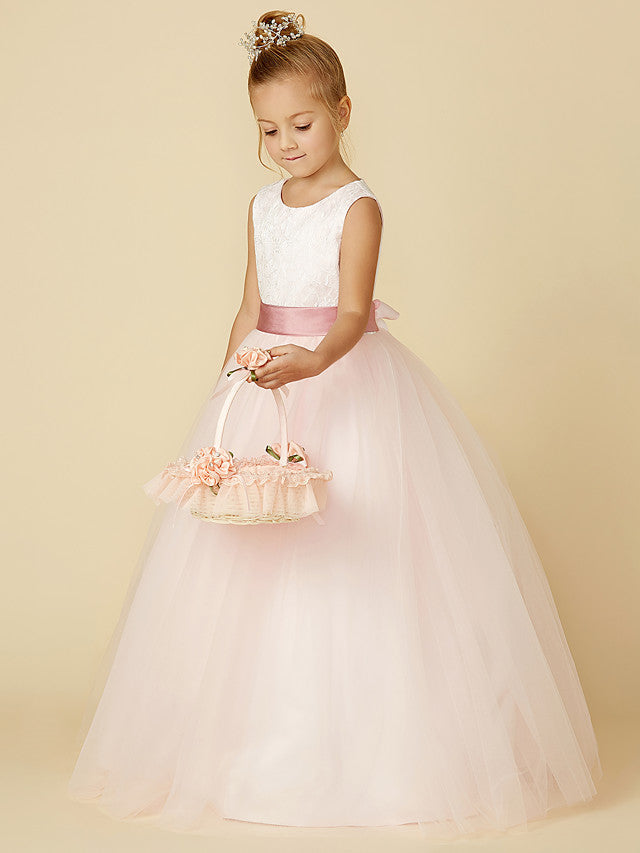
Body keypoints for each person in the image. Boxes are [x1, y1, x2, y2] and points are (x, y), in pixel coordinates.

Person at [67, 10, 602, 840]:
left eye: (302, 124)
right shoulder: (261, 206)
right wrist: (228, 387)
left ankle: (377, 756)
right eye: (268, 129)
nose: (285, 143)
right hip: (266, 385)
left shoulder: (359, 206)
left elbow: (353, 314)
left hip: (343, 386)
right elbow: (249, 306)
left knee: (351, 556)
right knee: (248, 557)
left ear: (343, 112)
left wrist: (312, 361)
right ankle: (246, 753)